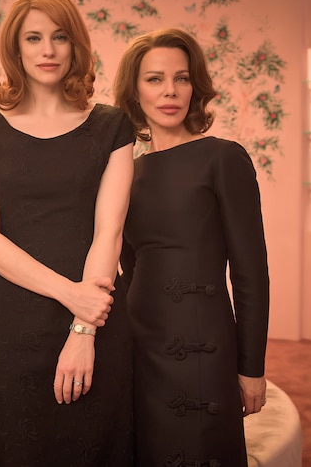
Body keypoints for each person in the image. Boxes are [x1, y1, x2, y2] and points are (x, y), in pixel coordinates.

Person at [0, 0, 135, 466]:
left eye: (60, 37)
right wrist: (70, 293)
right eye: (33, 38)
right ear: (15, 49)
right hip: (11, 323)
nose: (48, 50)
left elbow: (109, 233)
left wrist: (83, 326)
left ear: (76, 44)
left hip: (96, 316)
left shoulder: (112, 126)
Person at [114, 28, 270, 467]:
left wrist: (252, 366)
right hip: (141, 347)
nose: (170, 91)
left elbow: (250, 271)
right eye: (155, 79)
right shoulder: (126, 173)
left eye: (181, 78)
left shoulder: (222, 157)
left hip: (203, 344)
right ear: (134, 90)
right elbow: (129, 268)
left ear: (194, 87)